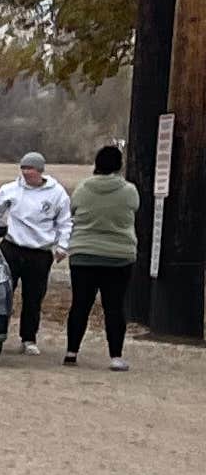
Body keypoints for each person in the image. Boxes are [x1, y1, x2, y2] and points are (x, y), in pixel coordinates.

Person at [0, 146, 71, 351]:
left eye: (30, 169)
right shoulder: (10, 189)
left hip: (40, 253)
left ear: (40, 171)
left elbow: (65, 222)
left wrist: (63, 246)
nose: (26, 173)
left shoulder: (57, 193)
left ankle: (28, 339)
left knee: (33, 298)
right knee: (3, 294)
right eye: (23, 169)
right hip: (12, 248)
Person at [63, 140, 141, 368]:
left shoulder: (82, 188)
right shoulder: (129, 191)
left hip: (83, 254)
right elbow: (134, 208)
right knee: (114, 307)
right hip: (118, 256)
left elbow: (73, 209)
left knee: (80, 305)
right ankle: (116, 356)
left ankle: (71, 352)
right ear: (119, 166)